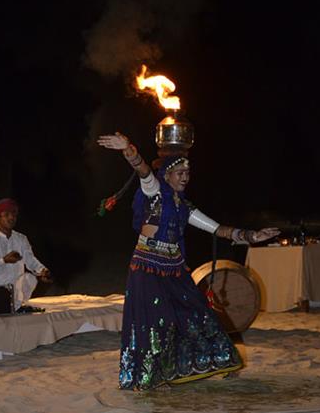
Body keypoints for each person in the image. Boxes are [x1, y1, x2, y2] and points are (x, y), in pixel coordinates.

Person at [98, 132, 279, 390]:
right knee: (157, 320)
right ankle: (152, 377)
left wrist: (252, 235)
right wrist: (128, 148)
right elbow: (142, 170)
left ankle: (211, 362)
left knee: (198, 311)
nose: (185, 177)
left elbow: (218, 229)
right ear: (167, 176)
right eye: (179, 172)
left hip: (173, 268)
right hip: (148, 266)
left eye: (187, 173)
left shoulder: (184, 206)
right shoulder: (155, 192)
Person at [0, 198, 52, 312]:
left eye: (13, 214)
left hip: (16, 290)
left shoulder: (21, 239)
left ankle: (18, 307)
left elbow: (30, 260)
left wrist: (42, 270)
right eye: (6, 214)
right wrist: (4, 260)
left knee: (30, 278)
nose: (11, 217)